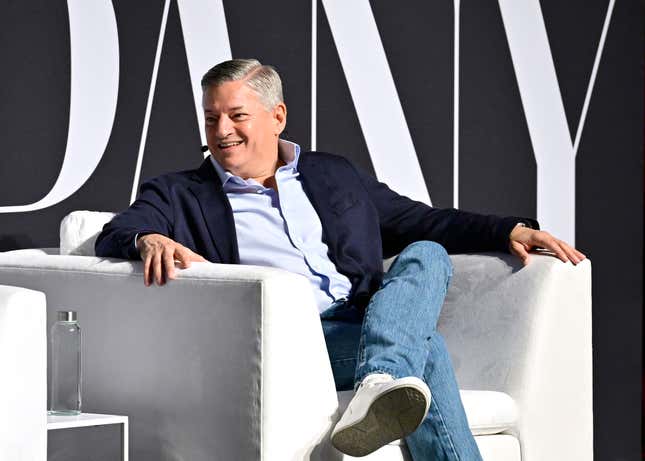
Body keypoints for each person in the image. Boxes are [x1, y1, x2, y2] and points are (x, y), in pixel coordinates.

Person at [96, 58, 585, 460]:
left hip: (361, 322)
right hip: (289, 340)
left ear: (277, 116)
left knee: (428, 252)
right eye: (211, 117)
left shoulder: (334, 174)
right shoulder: (182, 192)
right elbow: (118, 230)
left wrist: (508, 230)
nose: (222, 130)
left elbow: (423, 220)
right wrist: (146, 239)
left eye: (236, 115)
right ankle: (384, 377)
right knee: (426, 349)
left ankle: (380, 377)